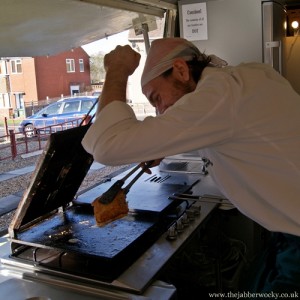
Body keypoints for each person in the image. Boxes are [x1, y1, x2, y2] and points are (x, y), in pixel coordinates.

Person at [82, 37, 300, 292]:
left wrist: (117, 70)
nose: (161, 111)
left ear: (181, 70)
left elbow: (107, 146)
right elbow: (237, 132)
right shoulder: (242, 78)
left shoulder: (218, 96)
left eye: (156, 99)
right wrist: (163, 143)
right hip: (287, 232)